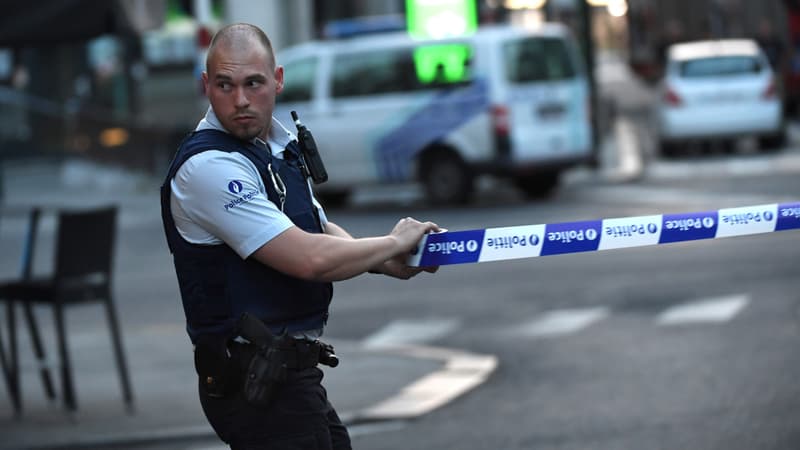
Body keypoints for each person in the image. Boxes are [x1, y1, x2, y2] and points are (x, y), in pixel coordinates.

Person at [160, 22, 441, 450]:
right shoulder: (209, 167)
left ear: (277, 80)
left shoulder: (273, 146)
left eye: (253, 83)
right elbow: (308, 258)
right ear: (206, 86)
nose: (239, 100)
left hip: (288, 376)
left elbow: (318, 228)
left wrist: (386, 261)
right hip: (255, 380)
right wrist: (393, 242)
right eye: (225, 85)